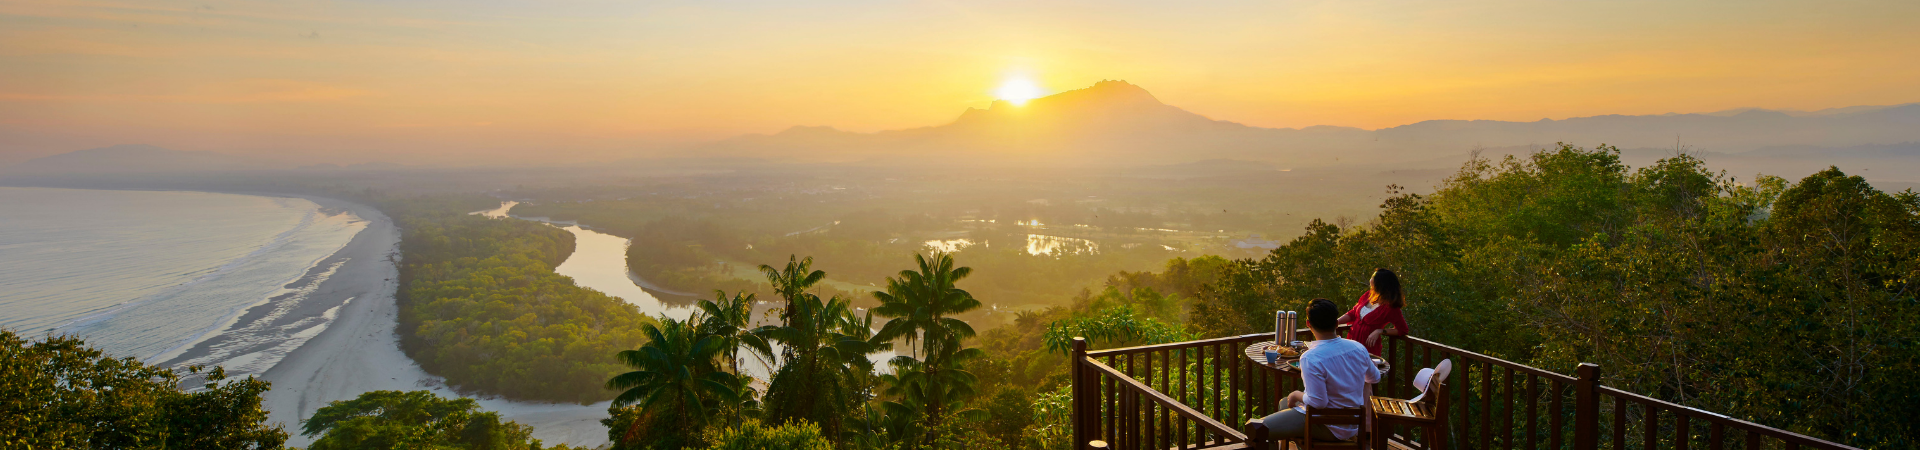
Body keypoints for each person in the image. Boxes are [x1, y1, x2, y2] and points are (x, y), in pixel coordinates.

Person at [1262, 298, 1380, 442]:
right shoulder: (1357, 348)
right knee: (1283, 403)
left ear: (1308, 324)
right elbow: (1375, 377)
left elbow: (1318, 402)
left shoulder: (1310, 357)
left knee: (1258, 429)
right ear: (1336, 323)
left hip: (1326, 425)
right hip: (1352, 424)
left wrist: (1296, 395)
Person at [1337, 268, 1409, 355]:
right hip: (1352, 343)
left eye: (1373, 277)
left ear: (1380, 283)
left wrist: (1380, 331)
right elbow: (1353, 313)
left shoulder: (1390, 307)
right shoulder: (1368, 295)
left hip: (1368, 348)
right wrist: (1336, 322)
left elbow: (1403, 329)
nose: (1370, 279)